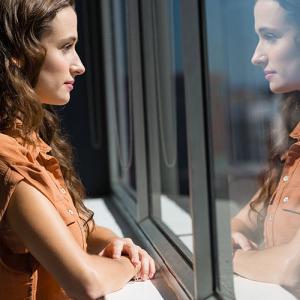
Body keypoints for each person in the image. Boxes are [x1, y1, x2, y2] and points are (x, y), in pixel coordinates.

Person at [0, 0, 155, 299]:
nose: (79, 65)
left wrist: (114, 242)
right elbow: (86, 283)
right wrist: (128, 266)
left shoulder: (31, 142)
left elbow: (74, 227)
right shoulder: (10, 165)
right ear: (18, 57)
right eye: (65, 47)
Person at [231, 0, 300, 296]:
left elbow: (294, 269)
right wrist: (234, 236)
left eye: (270, 36)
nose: (256, 56)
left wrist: (235, 259)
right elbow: (242, 221)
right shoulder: (294, 144)